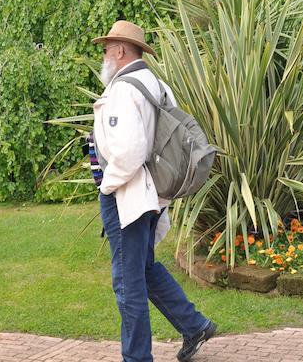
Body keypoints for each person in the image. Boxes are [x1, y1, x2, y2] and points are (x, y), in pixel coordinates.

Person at [90, 20, 217, 362]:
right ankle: (194, 326)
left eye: (106, 50)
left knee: (128, 284)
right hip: (153, 196)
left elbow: (130, 149)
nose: (104, 56)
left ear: (120, 50)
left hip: (129, 197)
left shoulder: (122, 90)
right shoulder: (156, 84)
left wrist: (108, 184)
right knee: (143, 269)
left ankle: (137, 358)